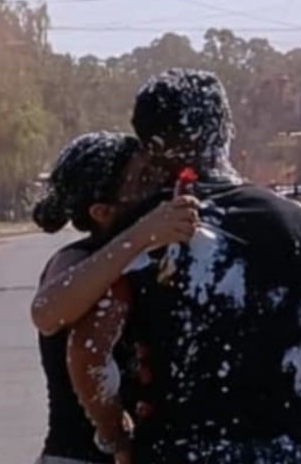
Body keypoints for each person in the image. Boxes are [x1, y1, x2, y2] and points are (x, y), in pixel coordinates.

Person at [69, 69, 301, 464]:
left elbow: (89, 353)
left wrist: (116, 437)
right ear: (226, 130)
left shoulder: (143, 233)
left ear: (149, 145)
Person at [29, 131, 199, 463]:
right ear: (102, 212)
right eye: (142, 180)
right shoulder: (79, 257)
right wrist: (141, 235)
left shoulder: (154, 257)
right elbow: (47, 312)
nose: (157, 186)